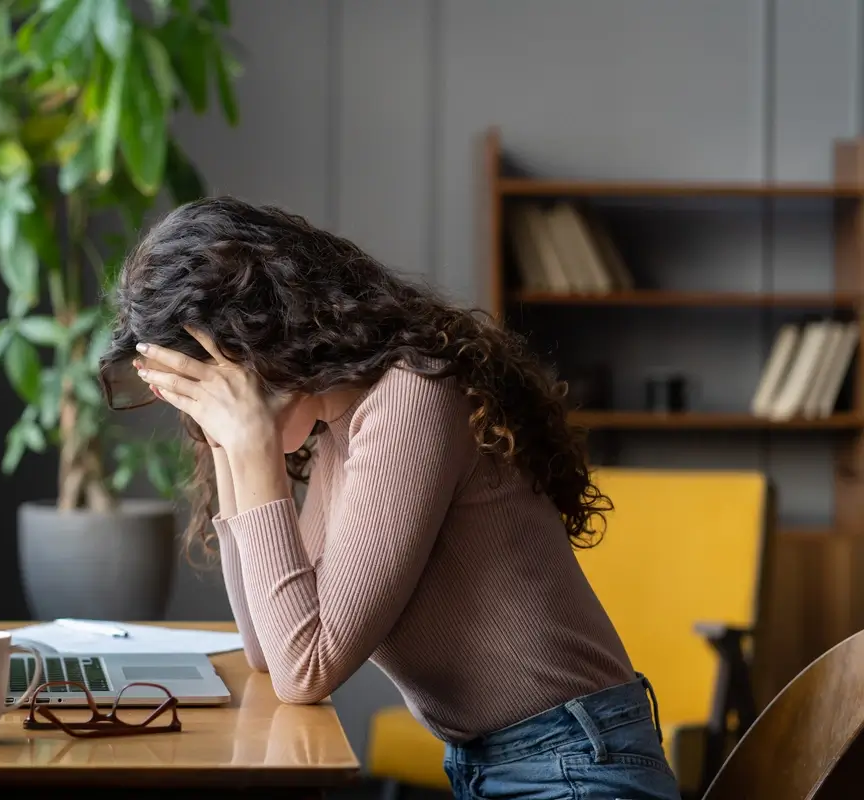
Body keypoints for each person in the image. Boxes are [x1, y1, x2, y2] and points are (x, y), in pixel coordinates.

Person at [98, 196, 682, 800]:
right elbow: (268, 650)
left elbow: (307, 669)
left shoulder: (412, 397)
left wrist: (252, 445)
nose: (206, 406)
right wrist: (225, 441)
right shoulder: (338, 431)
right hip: (504, 767)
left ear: (259, 337)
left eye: (209, 384)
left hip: (577, 769)